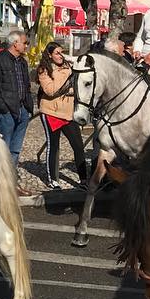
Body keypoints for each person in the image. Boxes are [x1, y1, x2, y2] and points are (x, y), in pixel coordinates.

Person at [0, 29, 34, 186]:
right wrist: (3, 107)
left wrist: (28, 107)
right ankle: (0, 180)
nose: (27, 46)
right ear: (15, 43)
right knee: (4, 147)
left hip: (22, 109)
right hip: (6, 112)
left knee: (15, 148)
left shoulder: (22, 62)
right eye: (25, 43)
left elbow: (26, 86)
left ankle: (10, 179)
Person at [36, 42, 88, 189]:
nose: (61, 55)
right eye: (57, 53)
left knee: (78, 146)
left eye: (62, 52)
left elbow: (77, 87)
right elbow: (50, 90)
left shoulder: (69, 67)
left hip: (68, 113)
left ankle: (84, 179)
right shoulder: (44, 70)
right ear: (50, 55)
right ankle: (53, 179)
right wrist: (66, 74)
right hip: (51, 112)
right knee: (53, 146)